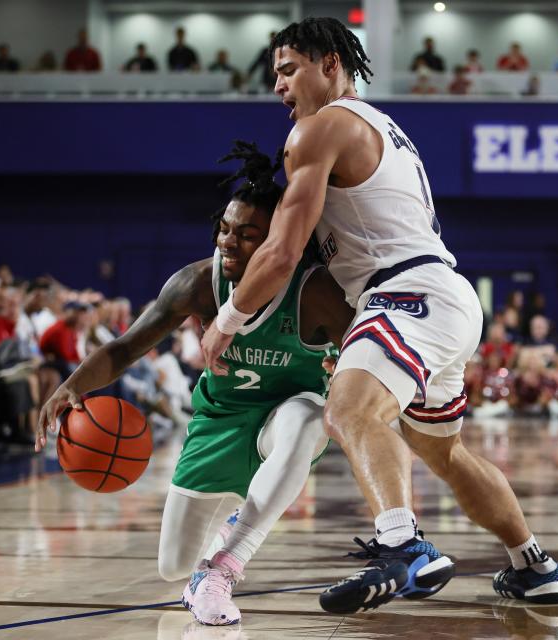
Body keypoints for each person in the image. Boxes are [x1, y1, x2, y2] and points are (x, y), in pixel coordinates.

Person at [202, 17, 558, 615]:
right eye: (274, 74)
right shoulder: (382, 126)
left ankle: (403, 547)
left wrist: (228, 319)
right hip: (442, 297)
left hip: (405, 295)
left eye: (288, 70)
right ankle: (533, 565)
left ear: (330, 66)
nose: (278, 87)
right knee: (443, 452)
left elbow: (282, 250)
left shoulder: (319, 130)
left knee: (348, 410)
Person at [37, 142, 353, 626]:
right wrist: (71, 386)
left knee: (307, 421)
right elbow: (125, 347)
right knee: (174, 567)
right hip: (218, 421)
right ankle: (214, 549)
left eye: (247, 235)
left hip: (284, 414)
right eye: (225, 229)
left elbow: (367, 351)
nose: (228, 242)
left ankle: (227, 562)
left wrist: (345, 368)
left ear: (278, 242)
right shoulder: (198, 283)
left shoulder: (314, 292)